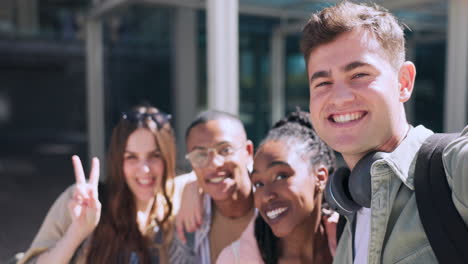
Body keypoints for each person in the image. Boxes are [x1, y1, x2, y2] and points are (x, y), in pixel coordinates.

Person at [300, 1, 468, 263]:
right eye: (323, 82)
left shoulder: (453, 168)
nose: (340, 97)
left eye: (359, 74)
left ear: (404, 82)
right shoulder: (348, 217)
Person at [19, 105, 178, 264]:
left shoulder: (175, 205)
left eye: (155, 156)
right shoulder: (83, 201)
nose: (144, 169)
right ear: (117, 160)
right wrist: (76, 233)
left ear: (168, 157)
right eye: (131, 157)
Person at [216, 110, 338, 264]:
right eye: (258, 184)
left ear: (320, 177)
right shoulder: (233, 260)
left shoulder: (358, 241)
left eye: (281, 176)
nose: (267, 195)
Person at [171, 110, 256, 264]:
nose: (214, 164)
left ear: (248, 151)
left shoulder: (273, 204)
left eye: (225, 150)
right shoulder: (187, 223)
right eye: (200, 155)